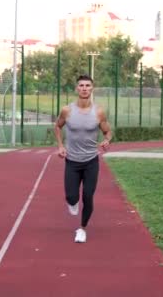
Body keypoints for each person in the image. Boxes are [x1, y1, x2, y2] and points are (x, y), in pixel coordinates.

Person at [54, 74, 112, 243]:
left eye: (88, 85)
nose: (84, 88)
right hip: (72, 161)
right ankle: (72, 202)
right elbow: (57, 127)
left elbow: (107, 131)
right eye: (81, 85)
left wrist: (107, 140)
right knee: (72, 198)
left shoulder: (98, 112)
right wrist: (60, 145)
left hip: (91, 161)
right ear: (76, 88)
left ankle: (82, 228)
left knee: (88, 196)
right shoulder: (67, 110)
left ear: (92, 88)